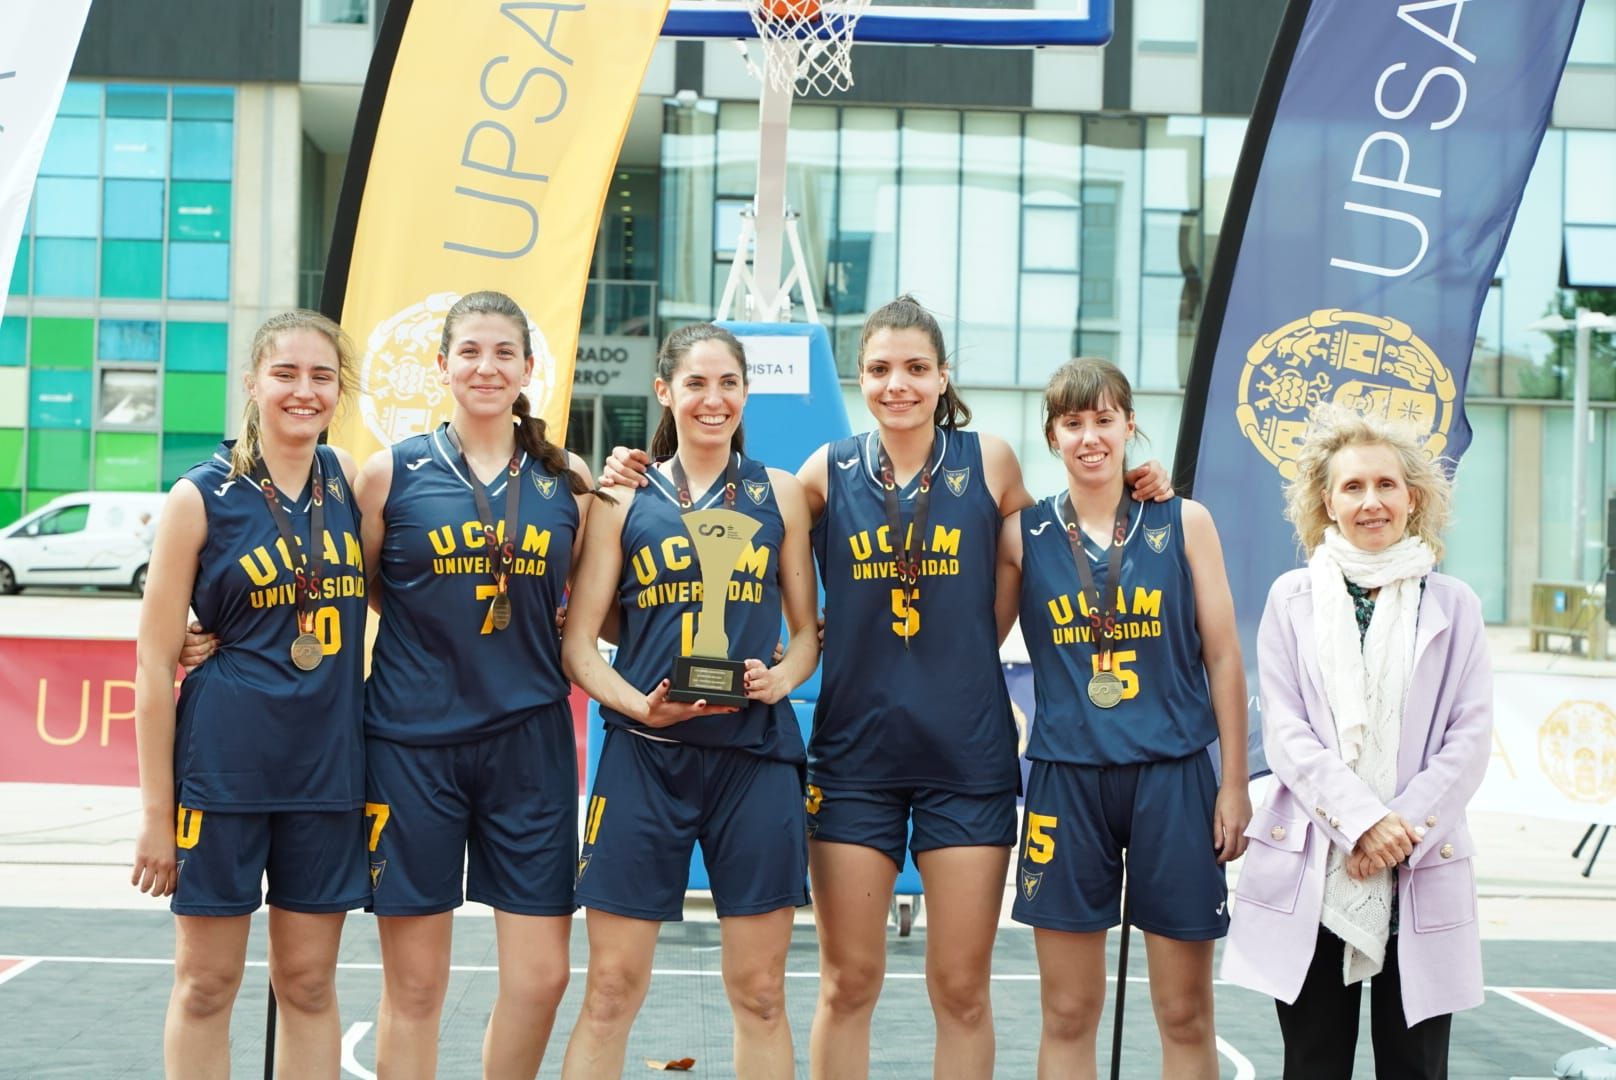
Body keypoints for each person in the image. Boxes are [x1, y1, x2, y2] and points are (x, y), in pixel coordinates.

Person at [602, 296, 1173, 1079]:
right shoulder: (826, 472)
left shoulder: (992, 462)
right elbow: (720, 525)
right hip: (855, 760)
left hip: (967, 759)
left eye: (914, 368)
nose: (896, 384)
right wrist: (629, 472)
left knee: (962, 990)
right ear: (858, 378)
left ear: (944, 377)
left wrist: (1145, 482)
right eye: (878, 369)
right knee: (848, 982)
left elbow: (1066, 532)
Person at [180, 291, 602, 1079]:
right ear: (441, 366)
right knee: (416, 985)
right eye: (469, 351)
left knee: (544, 978)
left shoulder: (568, 478)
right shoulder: (385, 474)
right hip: (411, 747)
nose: (486, 366)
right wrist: (192, 628)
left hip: (531, 744)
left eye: (503, 352)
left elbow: (592, 602)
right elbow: (356, 584)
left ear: (529, 369)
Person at [560, 323, 820, 1080]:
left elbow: (806, 634)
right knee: (610, 989)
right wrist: (638, 706)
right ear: (666, 391)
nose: (714, 400)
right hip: (646, 757)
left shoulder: (781, 495)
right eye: (697, 384)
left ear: (746, 391)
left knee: (762, 993)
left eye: (729, 383)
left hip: (754, 761)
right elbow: (579, 646)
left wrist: (784, 678)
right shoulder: (623, 494)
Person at [1220, 403, 1492, 1079]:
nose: (1371, 502)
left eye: (1386, 485)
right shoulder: (1290, 600)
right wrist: (1362, 823)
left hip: (1418, 862)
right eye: (1353, 487)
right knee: (1313, 1063)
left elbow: (1470, 737)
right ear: (1326, 503)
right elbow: (1287, 735)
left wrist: (1397, 829)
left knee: (1416, 1068)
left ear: (1414, 497)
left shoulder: (1455, 604)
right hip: (1318, 862)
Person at [996, 357, 1250, 1080]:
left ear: (1130, 425)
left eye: (1104, 419)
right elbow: (972, 639)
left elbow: (1225, 660)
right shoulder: (1024, 534)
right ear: (1051, 435)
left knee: (1183, 1010)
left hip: (1173, 778)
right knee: (1069, 1012)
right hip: (1066, 782)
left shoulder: (1185, 521)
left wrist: (1234, 784)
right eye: (1073, 423)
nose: (1090, 437)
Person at [132, 310, 369, 1077]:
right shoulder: (197, 497)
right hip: (224, 770)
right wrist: (155, 818)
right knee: (207, 983)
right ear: (253, 383)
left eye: (322, 375)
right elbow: (152, 665)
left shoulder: (355, 485)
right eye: (287, 373)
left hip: (326, 773)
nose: (304, 390)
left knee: (307, 983)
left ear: (339, 390)